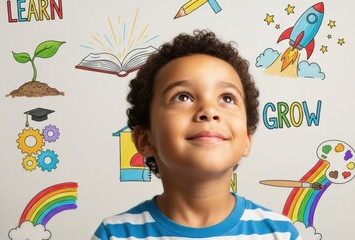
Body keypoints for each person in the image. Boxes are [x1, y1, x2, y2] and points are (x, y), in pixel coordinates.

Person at [91, 29, 302, 240]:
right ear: (145, 139)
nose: (209, 111)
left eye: (227, 99)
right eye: (182, 97)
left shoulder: (280, 233)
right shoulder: (115, 235)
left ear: (247, 139)